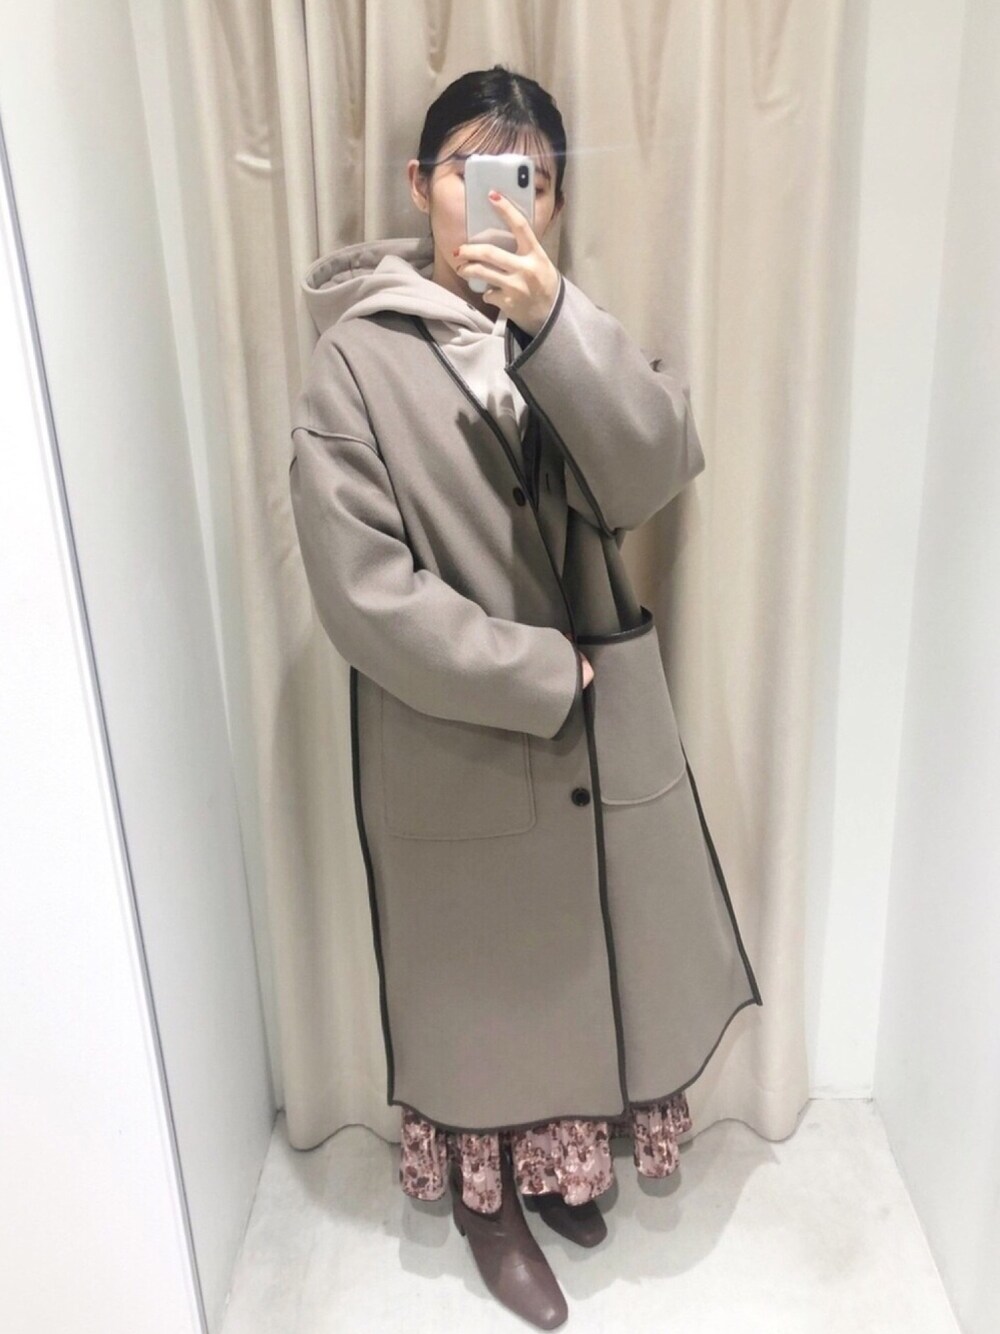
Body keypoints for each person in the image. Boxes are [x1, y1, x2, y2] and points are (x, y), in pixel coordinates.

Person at [289, 64, 761, 1331]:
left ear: (550, 202)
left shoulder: (562, 325)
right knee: (475, 983)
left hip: (592, 744)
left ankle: (557, 1170)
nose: (500, 199)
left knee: (574, 956)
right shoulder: (354, 360)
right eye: (470, 170)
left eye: (531, 179)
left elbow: (653, 466)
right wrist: (542, 671)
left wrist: (556, 326)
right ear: (420, 185)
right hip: (453, 742)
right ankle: (486, 1205)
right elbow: (364, 596)